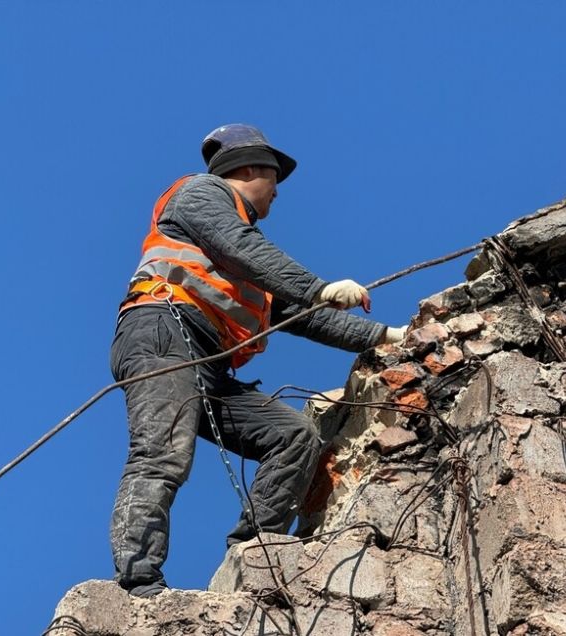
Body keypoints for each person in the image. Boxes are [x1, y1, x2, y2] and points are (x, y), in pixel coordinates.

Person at [109, 124, 406, 597]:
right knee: (162, 454)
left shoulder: (244, 261)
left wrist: (388, 337)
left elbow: (301, 316)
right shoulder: (200, 193)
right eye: (274, 178)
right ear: (249, 169)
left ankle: (252, 557)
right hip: (163, 333)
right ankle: (138, 583)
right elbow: (242, 247)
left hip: (207, 361)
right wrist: (318, 288)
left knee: (294, 436)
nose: (277, 193)